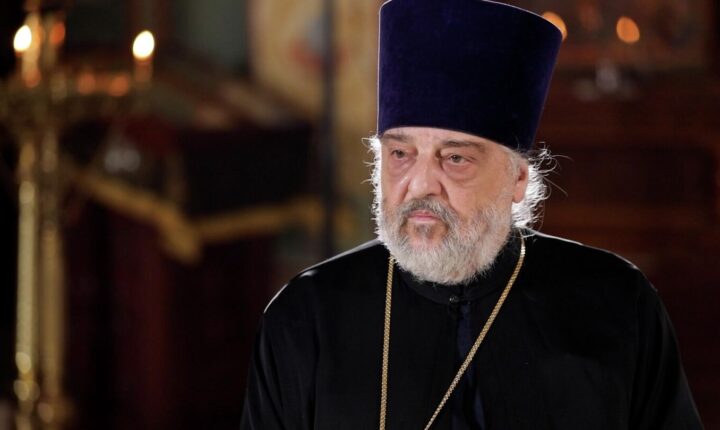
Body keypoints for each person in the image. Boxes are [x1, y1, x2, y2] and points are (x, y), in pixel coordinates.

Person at [241, 0, 704, 428]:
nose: (420, 185)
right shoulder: (305, 318)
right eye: (401, 154)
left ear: (517, 179)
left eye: (455, 158)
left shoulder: (617, 304)